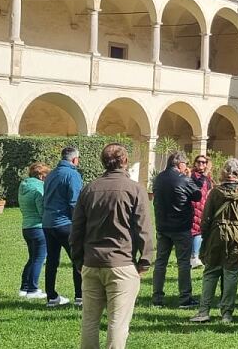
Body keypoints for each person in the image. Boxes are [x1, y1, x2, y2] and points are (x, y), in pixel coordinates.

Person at [71, 143, 154, 349]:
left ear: (103, 162)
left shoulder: (89, 189)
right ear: (125, 161)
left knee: (89, 322)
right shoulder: (135, 189)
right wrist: (145, 261)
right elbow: (143, 228)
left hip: (91, 262)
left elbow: (77, 230)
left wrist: (79, 260)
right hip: (121, 263)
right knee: (118, 323)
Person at [191, 158, 238, 324]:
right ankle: (226, 313)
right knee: (231, 274)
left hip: (216, 234)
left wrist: (206, 236)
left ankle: (203, 311)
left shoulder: (215, 192)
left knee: (211, 273)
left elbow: (205, 218)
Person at [151, 151, 203, 309]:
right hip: (181, 226)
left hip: (162, 226)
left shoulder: (158, 178)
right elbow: (198, 196)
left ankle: (157, 298)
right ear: (180, 164)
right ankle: (185, 298)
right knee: (183, 263)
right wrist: (189, 177)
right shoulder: (184, 180)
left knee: (160, 262)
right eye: (185, 163)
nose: (187, 166)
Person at [43, 146, 84, 307]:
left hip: (48, 223)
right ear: (74, 160)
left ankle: (51, 296)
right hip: (65, 223)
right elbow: (74, 202)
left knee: (52, 261)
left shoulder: (51, 174)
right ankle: (80, 296)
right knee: (78, 259)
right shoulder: (72, 175)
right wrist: (79, 224)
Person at [18, 162, 50, 299]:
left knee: (32, 258)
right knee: (39, 259)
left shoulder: (23, 186)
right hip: (38, 228)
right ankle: (33, 289)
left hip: (26, 227)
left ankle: (24, 288)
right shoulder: (39, 188)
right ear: (41, 176)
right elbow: (42, 210)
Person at [189, 155, 213, 269]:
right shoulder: (192, 175)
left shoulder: (207, 177)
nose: (201, 164)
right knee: (196, 231)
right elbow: (198, 186)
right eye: (199, 162)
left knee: (198, 230)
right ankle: (194, 256)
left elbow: (208, 190)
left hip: (203, 206)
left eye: (204, 162)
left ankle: (195, 255)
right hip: (194, 206)